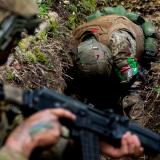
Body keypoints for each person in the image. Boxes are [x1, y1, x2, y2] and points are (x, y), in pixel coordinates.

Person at [0, 2, 144, 160]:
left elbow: (132, 85)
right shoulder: (73, 46)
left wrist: (76, 145)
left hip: (123, 40)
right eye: (16, 35)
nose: (14, 45)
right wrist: (19, 145)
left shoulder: (121, 48)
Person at [67, 6, 158, 126]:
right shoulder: (73, 46)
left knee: (134, 80)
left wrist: (139, 130)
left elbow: (132, 88)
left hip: (124, 34)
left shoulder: (121, 48)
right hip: (102, 26)